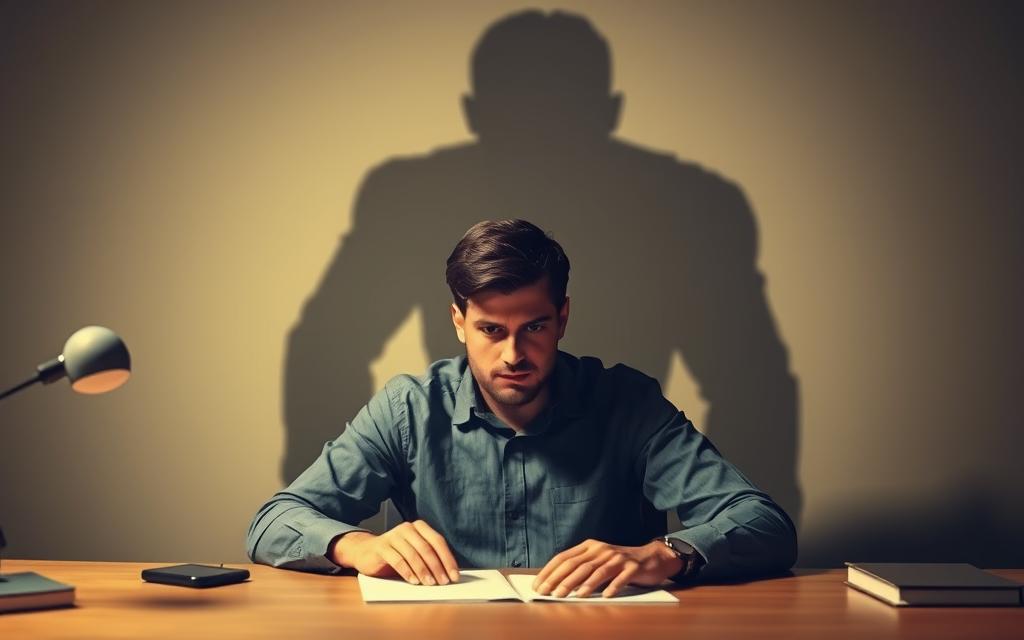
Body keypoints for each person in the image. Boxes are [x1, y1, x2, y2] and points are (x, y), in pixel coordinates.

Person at [248, 219, 797, 598]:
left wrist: (667, 553)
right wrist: (354, 545)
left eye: (533, 327)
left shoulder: (627, 404)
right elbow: (273, 521)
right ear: (459, 322)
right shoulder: (407, 410)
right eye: (491, 330)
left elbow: (765, 524)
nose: (513, 354)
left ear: (562, 318)